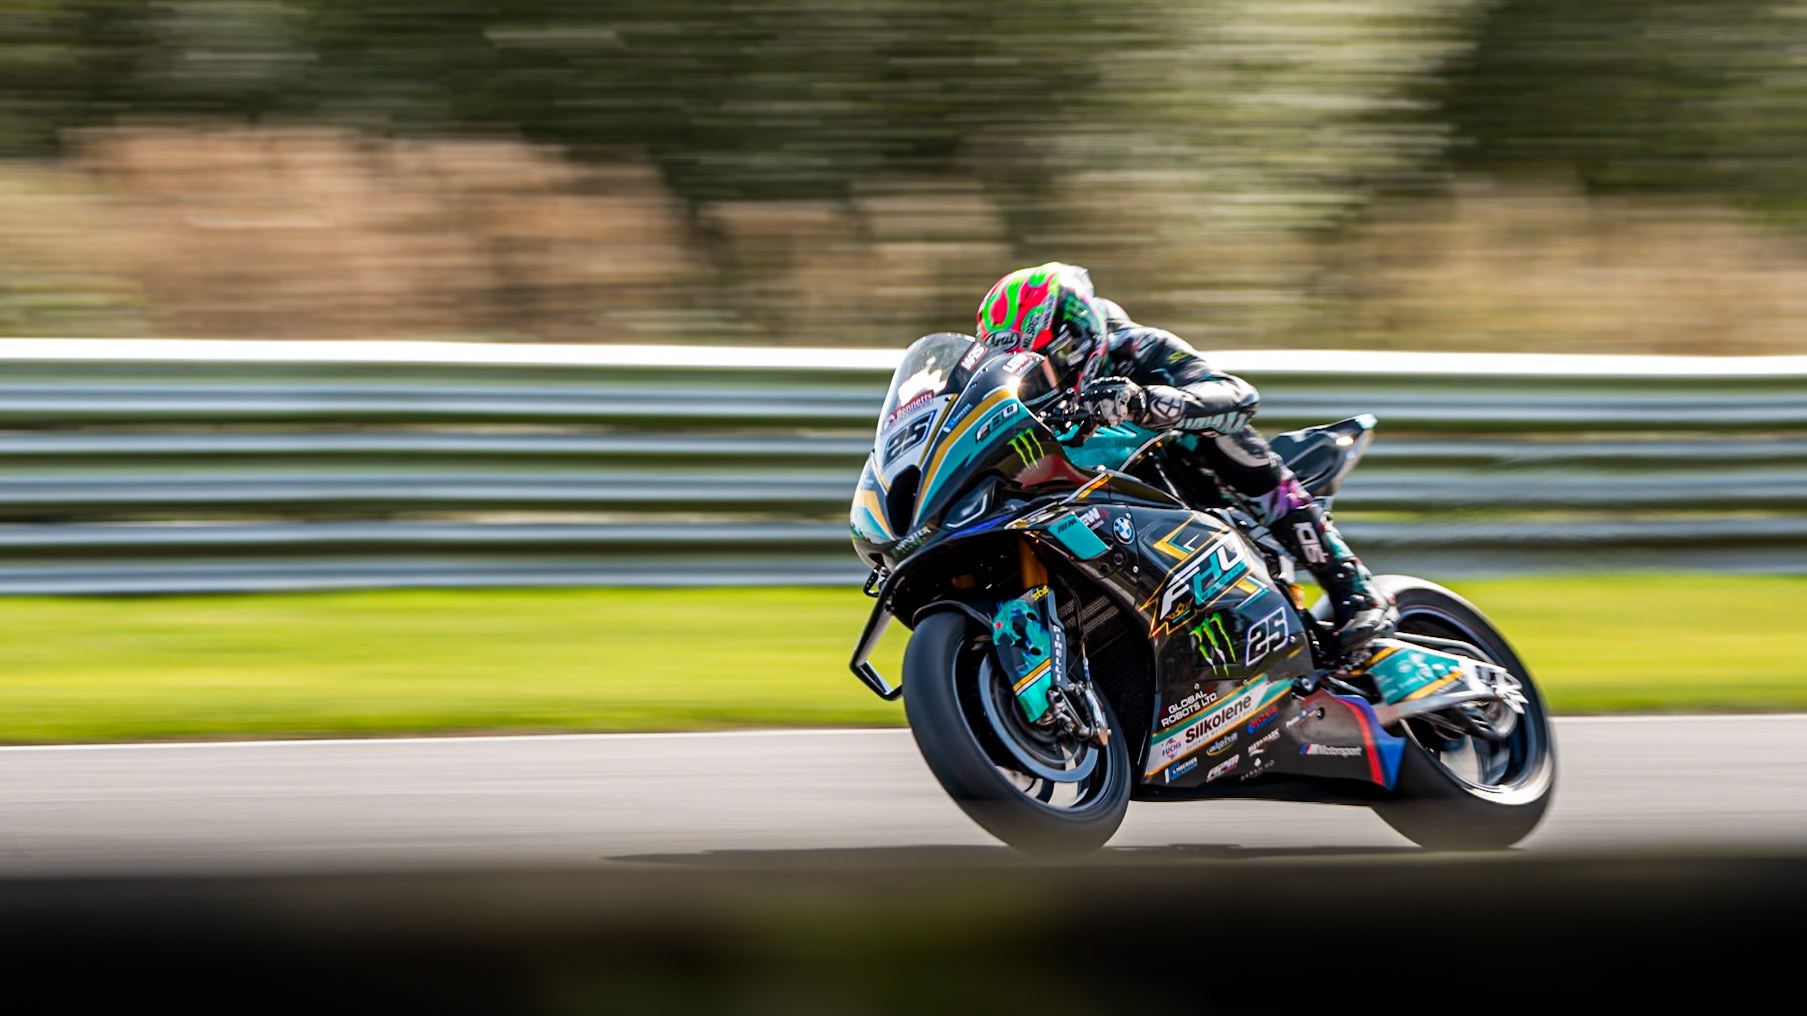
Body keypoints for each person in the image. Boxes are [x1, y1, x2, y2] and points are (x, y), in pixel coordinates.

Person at [975, 262, 1396, 652]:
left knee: (1221, 434)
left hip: (1195, 494)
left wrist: (1145, 403)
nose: (1037, 382)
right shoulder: (1024, 405)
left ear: (1076, 342)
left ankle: (1351, 584)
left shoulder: (1136, 348)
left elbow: (1238, 396)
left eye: (1044, 366)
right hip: (1102, 520)